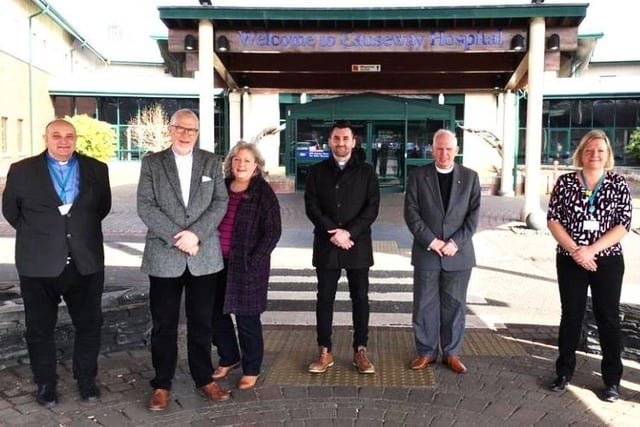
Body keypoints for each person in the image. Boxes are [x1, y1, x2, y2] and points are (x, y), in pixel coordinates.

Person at [1, 119, 111, 407]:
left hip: (85, 262)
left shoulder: (97, 170)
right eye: (57, 135)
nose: (64, 141)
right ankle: (46, 384)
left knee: (89, 325)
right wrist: (47, 234)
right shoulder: (22, 171)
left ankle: (86, 380)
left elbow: (101, 208)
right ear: (46, 137)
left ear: (76, 139)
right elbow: (13, 213)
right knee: (39, 329)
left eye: (69, 136)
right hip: (38, 263)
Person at [137, 108, 230, 411]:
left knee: (202, 322)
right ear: (171, 129)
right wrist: (179, 236)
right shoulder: (152, 163)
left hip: (203, 254)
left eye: (192, 130)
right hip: (165, 253)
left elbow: (220, 202)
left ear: (197, 132)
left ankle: (204, 378)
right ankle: (162, 383)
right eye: (181, 128)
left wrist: (196, 236)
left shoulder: (211, 161)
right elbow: (146, 206)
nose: (186, 134)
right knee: (163, 323)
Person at [546, 130, 632, 402]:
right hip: (570, 259)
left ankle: (611, 381)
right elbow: (553, 219)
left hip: (607, 260)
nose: (594, 155)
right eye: (589, 150)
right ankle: (563, 373)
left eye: (600, 151)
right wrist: (576, 251)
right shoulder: (566, 182)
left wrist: (591, 250)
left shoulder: (618, 184)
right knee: (571, 315)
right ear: (581, 153)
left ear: (608, 156)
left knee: (608, 318)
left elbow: (624, 224)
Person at [304, 120, 380, 374]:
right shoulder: (316, 171)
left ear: (353, 141)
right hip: (327, 245)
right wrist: (334, 233)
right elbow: (312, 206)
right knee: (324, 299)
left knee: (360, 299)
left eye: (345, 138)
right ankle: (324, 350)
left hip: (357, 245)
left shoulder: (367, 171)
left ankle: (361, 350)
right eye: (336, 138)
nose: (341, 143)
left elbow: (372, 208)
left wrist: (350, 232)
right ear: (329, 141)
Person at [404, 129, 480, 375]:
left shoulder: (470, 178)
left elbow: (473, 217)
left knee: (455, 305)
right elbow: (411, 213)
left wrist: (454, 243)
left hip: (458, 254)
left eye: (449, 149)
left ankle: (451, 353)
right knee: (424, 305)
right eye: (439, 148)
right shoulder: (418, 176)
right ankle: (426, 352)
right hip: (427, 252)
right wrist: (432, 241)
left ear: (456, 150)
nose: (444, 153)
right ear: (432, 149)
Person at [210, 141, 282, 390]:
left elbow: (273, 232)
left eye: (247, 161)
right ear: (230, 162)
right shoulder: (220, 188)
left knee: (247, 318)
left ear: (256, 166)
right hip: (216, 261)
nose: (241, 164)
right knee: (214, 313)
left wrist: (254, 261)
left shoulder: (263, 193)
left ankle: (252, 367)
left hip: (247, 265)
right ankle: (229, 357)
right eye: (237, 159)